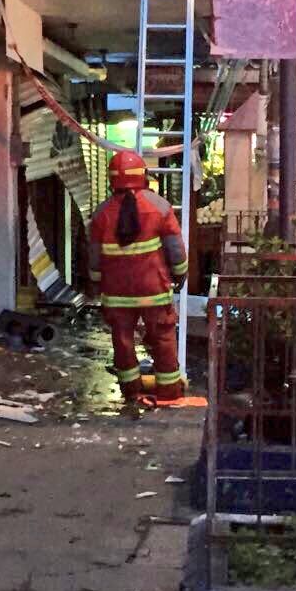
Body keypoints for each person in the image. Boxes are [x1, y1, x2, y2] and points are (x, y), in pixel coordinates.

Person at [89, 150, 188, 403]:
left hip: (116, 294)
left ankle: (131, 390)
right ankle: (169, 391)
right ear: (142, 176)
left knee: (122, 341)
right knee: (163, 337)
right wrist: (180, 274)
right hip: (153, 291)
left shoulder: (101, 214)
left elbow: (94, 259)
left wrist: (96, 283)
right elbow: (175, 250)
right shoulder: (160, 207)